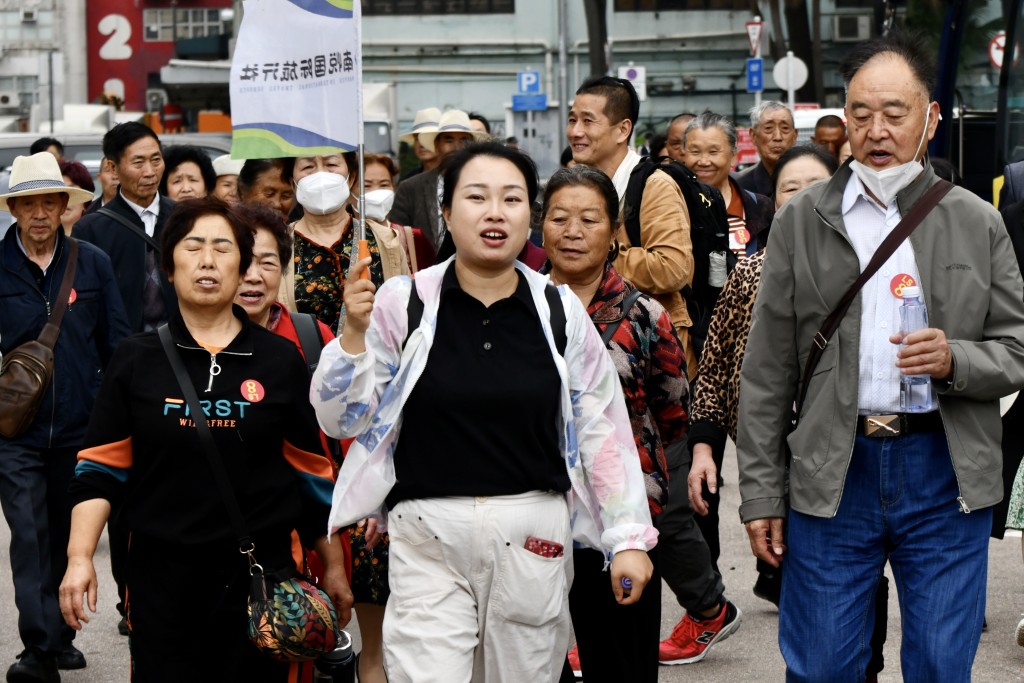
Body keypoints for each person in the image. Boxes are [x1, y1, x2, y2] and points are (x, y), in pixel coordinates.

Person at [311, 142, 656, 683]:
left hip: (533, 537)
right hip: (426, 535)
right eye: (476, 197)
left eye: (512, 199)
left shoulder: (558, 310)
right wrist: (351, 337)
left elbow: (602, 433)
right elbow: (342, 420)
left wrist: (628, 539)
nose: (495, 212)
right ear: (446, 213)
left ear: (529, 219)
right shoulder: (404, 302)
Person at [737, 32, 1024, 681]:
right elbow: (766, 372)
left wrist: (957, 359)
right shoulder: (803, 220)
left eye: (895, 112)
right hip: (834, 472)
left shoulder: (976, 221)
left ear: (931, 118)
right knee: (822, 666)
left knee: (940, 666)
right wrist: (760, 492)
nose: (876, 129)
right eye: (861, 112)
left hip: (944, 473)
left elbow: (1016, 347)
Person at [59, 198, 353, 680]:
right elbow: (98, 471)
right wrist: (78, 559)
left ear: (240, 271)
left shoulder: (279, 361)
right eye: (193, 246)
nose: (207, 260)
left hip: (263, 579)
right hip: (161, 580)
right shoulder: (136, 360)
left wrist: (335, 567)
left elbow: (312, 478)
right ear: (169, 268)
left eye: (223, 248)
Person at [541, 165, 689, 682]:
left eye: (589, 218)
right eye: (559, 218)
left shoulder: (643, 314)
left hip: (620, 522)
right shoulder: (522, 308)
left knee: (621, 663)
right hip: (537, 513)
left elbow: (672, 410)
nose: (573, 231)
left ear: (616, 230)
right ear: (541, 226)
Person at [687, 144, 838, 607]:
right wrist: (703, 448)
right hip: (767, 452)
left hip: (835, 454)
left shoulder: (859, 273)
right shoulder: (752, 270)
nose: (803, 196)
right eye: (791, 187)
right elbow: (713, 368)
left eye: (817, 186)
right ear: (774, 200)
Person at [0, 152, 129, 681]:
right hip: (14, 432)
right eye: (27, 204)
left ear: (62, 206)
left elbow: (117, 342)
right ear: (14, 209)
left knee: (64, 533)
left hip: (80, 426)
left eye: (47, 203)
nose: (38, 214)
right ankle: (39, 647)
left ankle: (60, 634)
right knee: (29, 534)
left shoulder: (91, 262)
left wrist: (119, 414)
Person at [567, 76, 695, 377]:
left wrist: (598, 252)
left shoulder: (654, 186)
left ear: (623, 129)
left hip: (653, 355)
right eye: (572, 120)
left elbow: (673, 267)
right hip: (598, 346)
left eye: (588, 121)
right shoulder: (583, 185)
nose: (575, 132)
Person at [74, 122, 177, 334]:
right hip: (123, 354)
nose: (150, 172)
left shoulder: (184, 218)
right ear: (113, 168)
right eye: (138, 163)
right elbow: (86, 308)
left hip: (183, 351)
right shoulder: (91, 229)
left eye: (156, 160)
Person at [391, 109, 488, 251]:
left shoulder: (487, 185)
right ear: (436, 145)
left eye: (464, 140)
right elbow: (396, 239)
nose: (456, 146)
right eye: (449, 139)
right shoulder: (410, 188)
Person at [682, 111, 772, 259]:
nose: (704, 161)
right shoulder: (672, 206)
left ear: (733, 157)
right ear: (684, 155)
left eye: (713, 152)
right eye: (695, 152)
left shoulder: (760, 207)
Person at [735, 101, 797, 197]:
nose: (778, 137)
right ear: (753, 136)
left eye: (785, 128)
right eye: (769, 128)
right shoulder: (740, 190)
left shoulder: (811, 182)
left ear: (794, 136)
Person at [398, 107, 441, 182]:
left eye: (428, 137)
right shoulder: (407, 182)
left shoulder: (456, 177)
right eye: (417, 138)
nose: (422, 144)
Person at [58, 159, 95, 235]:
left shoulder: (99, 238)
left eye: (72, 191)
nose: (65, 199)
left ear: (86, 201)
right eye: (60, 192)